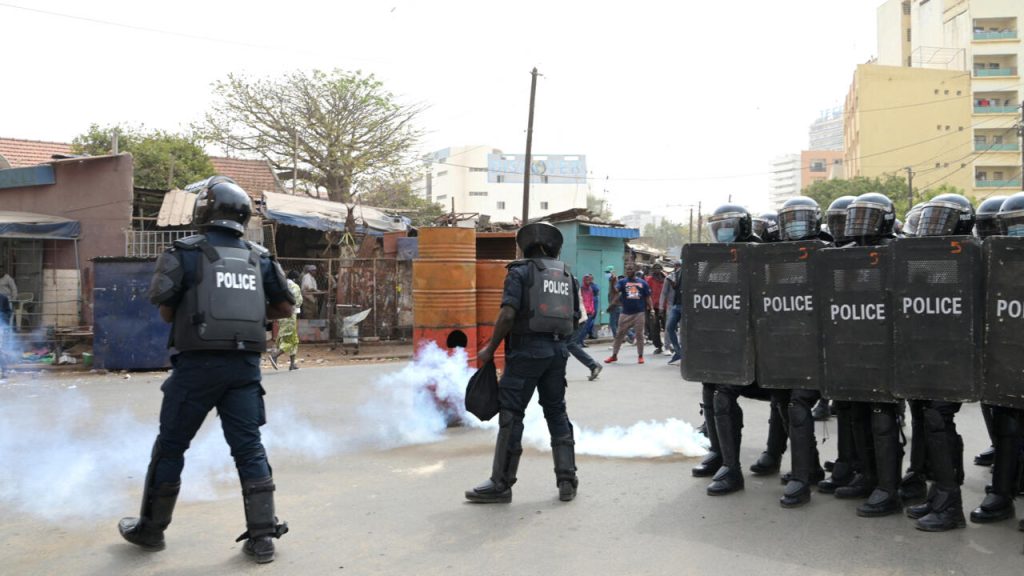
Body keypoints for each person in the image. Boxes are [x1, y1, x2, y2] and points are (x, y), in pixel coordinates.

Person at [118, 176, 295, 564]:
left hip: (196, 367)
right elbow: (285, 307)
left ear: (205, 212)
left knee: (171, 446)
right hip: (245, 368)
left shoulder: (184, 252)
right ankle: (263, 538)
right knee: (249, 449)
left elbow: (165, 309)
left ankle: (151, 530)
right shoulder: (260, 257)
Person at [466, 221, 579, 503]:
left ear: (526, 244)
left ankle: (500, 483)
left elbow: (507, 314)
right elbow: (575, 318)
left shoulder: (519, 271)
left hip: (526, 351)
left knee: (512, 414)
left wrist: (490, 348)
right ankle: (567, 480)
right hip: (557, 352)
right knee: (556, 412)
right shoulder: (567, 275)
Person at [832, 192, 903, 518]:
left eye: (869, 217)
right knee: (857, 412)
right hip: (854, 344)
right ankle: (867, 476)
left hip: (889, 348)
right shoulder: (842, 255)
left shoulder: (900, 250)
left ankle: (889, 489)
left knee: (883, 416)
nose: (860, 224)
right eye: (856, 216)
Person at [693, 203, 763, 494]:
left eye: (729, 225)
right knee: (710, 384)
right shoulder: (714, 260)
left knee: (724, 393)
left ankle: (733, 471)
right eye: (718, 225)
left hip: (763, 351)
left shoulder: (761, 254)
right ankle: (722, 456)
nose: (723, 231)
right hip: (729, 346)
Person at [773, 196, 834, 508]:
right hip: (789, 344)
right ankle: (809, 468)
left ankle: (801, 479)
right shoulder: (775, 255)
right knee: (785, 401)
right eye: (789, 218)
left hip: (823, 345)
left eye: (801, 217)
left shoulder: (829, 249)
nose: (794, 224)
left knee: (799, 403)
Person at [970, 193, 1024, 529]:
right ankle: (1002, 495)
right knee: (1007, 422)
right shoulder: (994, 262)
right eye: (1012, 228)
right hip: (1008, 355)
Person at [605, 265, 653, 364]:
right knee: (619, 334)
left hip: (639, 313)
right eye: (627, 269)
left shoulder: (643, 283)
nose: (629, 271)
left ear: (635, 270)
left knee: (639, 335)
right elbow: (615, 292)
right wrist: (612, 282)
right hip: (625, 313)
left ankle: (640, 356)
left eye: (631, 269)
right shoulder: (622, 282)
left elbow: (648, 297)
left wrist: (652, 309)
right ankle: (614, 355)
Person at [567, 278, 602, 381]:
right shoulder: (567, 279)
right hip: (571, 318)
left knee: (569, 344)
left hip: (577, 319)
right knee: (563, 345)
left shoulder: (570, 280)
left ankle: (593, 365)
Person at [270, 270, 303, 371]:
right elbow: (298, 301)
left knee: (291, 339)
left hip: (281, 315)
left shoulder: (282, 285)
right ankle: (275, 355)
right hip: (290, 316)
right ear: (295, 279)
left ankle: (292, 364)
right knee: (290, 340)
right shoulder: (295, 287)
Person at [663, 259, 683, 365]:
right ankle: (678, 351)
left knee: (683, 331)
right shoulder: (677, 273)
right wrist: (671, 281)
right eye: (675, 265)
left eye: (677, 265)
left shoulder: (689, 272)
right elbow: (676, 287)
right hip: (677, 304)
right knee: (670, 327)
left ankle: (683, 353)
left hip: (685, 305)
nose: (676, 267)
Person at [644, 263, 666, 355]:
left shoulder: (666, 279)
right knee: (654, 328)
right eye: (655, 268)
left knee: (668, 327)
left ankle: (670, 344)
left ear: (661, 269)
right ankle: (659, 346)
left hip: (665, 306)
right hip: (652, 307)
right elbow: (646, 293)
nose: (657, 270)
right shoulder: (649, 279)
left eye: (659, 268)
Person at [579, 274, 599, 346]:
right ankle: (579, 342)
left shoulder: (590, 289)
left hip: (590, 310)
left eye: (589, 280)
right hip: (583, 310)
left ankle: (581, 341)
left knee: (587, 327)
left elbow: (591, 300)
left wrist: (593, 309)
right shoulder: (581, 288)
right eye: (587, 280)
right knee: (582, 328)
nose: (588, 281)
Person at [605, 266, 621, 338]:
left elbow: (617, 293)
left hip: (614, 305)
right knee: (618, 323)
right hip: (615, 304)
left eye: (608, 272)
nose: (606, 274)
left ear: (612, 272)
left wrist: (611, 305)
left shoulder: (615, 281)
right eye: (606, 272)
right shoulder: (611, 280)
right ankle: (631, 336)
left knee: (613, 323)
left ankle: (617, 338)